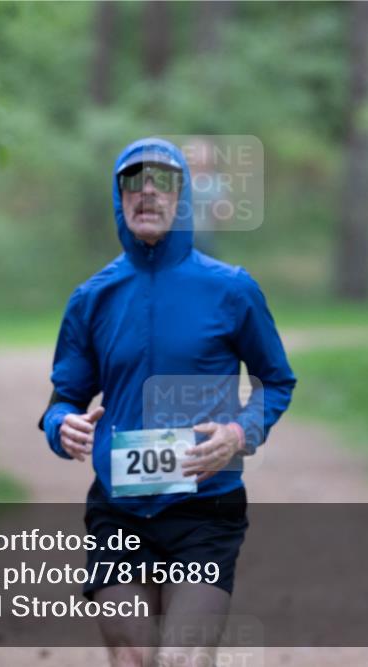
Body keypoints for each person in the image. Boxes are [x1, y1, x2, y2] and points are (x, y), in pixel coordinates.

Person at [39, 137, 296, 667]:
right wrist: (61, 426)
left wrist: (239, 433)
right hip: (119, 513)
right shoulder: (92, 298)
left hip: (205, 510)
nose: (148, 192)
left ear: (183, 196)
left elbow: (276, 380)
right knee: (133, 657)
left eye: (163, 181)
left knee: (182, 658)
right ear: (119, 198)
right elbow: (63, 399)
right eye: (134, 181)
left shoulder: (232, 290)